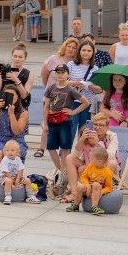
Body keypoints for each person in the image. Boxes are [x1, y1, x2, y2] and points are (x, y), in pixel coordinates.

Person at [44, 65, 88, 200]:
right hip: (52, 120)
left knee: (65, 149)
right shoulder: (51, 88)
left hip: (65, 121)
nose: (60, 75)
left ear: (68, 75)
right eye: (58, 73)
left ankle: (63, 176)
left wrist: (73, 112)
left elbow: (85, 102)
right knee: (51, 147)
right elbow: (46, 105)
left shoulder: (70, 89)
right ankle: (62, 171)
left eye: (63, 73)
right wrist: (45, 123)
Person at [68, 147, 115, 215]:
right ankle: (76, 205)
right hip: (88, 189)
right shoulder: (91, 166)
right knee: (79, 187)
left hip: (97, 190)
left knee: (96, 184)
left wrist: (101, 192)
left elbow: (109, 187)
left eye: (91, 158)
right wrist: (87, 185)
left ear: (99, 161)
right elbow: (84, 176)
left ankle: (95, 207)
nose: (89, 159)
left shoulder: (107, 172)